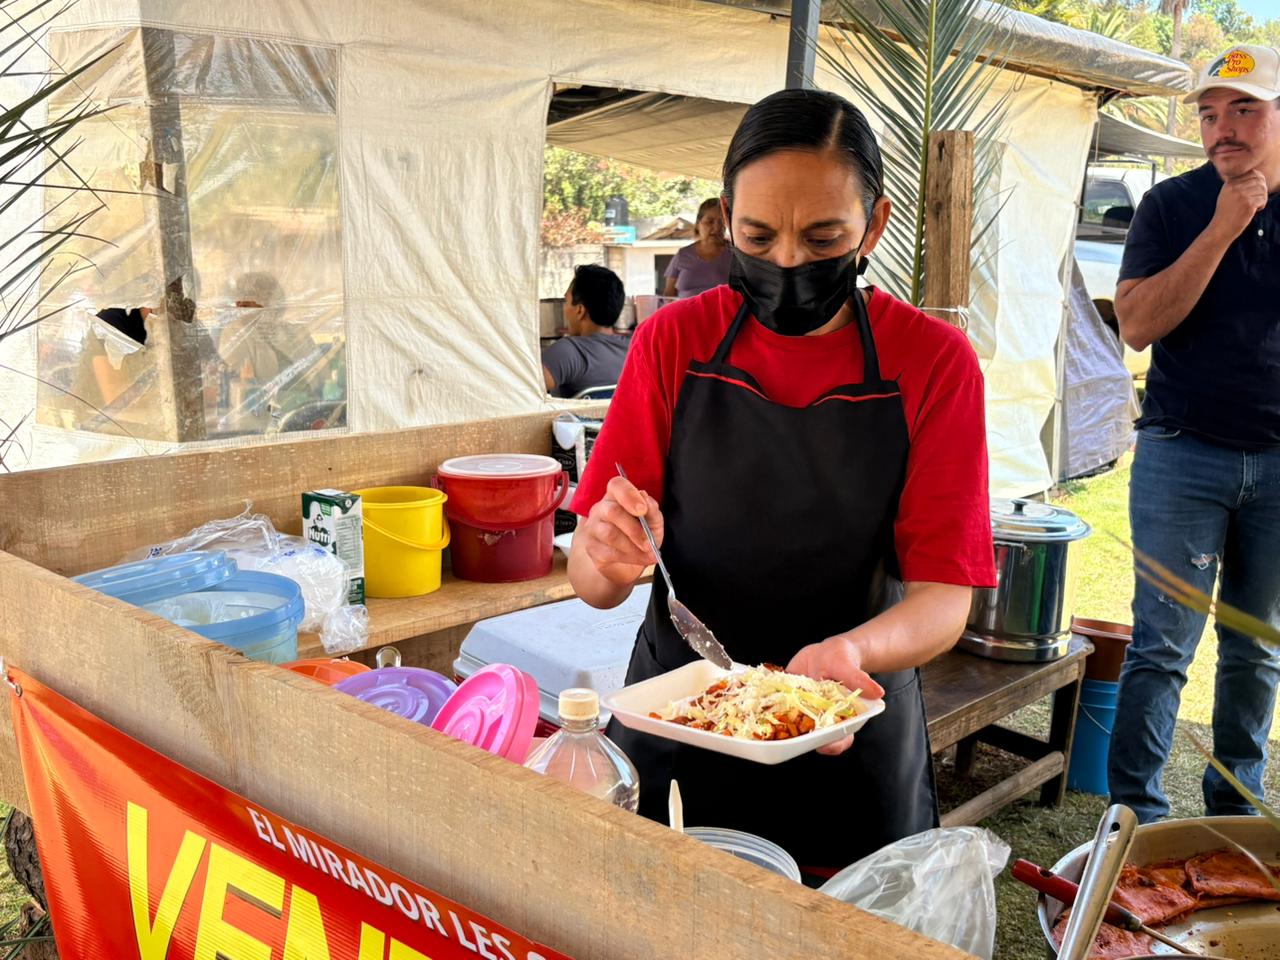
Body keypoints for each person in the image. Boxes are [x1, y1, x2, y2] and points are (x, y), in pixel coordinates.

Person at [568, 89, 995, 872]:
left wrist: (852, 655)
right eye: (758, 236)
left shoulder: (932, 362)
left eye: (823, 234)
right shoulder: (673, 340)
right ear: (726, 218)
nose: (790, 262)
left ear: (875, 225)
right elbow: (594, 583)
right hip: (678, 714)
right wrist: (602, 552)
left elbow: (944, 598)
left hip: (848, 722)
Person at [1108, 44, 1280, 823]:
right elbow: (1138, 326)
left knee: (1257, 647)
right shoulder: (1172, 206)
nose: (1222, 130)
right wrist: (1222, 228)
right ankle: (1134, 817)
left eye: (1244, 108)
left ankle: (1236, 817)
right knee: (1162, 647)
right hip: (1183, 452)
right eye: (1210, 114)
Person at [542, 264, 629, 398]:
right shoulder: (636, 351)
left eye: (566, 301)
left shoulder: (568, 352)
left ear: (580, 310)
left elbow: (520, 390)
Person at [663, 197, 732, 299]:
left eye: (722, 222)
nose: (717, 227)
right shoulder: (683, 255)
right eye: (710, 221)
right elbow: (668, 294)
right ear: (698, 224)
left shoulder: (735, 254)